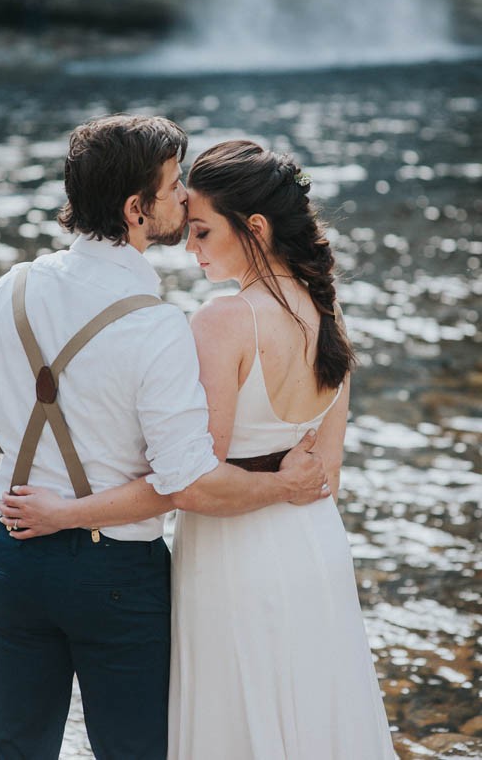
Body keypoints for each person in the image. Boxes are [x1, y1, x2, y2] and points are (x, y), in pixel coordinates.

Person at [0, 116, 331, 760]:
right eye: (174, 184)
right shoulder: (158, 328)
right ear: (135, 209)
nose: (185, 197)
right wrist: (281, 484)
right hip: (120, 576)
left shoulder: (7, 291)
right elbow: (184, 482)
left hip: (19, 559)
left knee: (15, 749)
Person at [166, 140, 396, 759]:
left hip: (234, 557)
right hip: (313, 547)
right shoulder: (326, 311)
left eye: (202, 231)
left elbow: (197, 479)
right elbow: (329, 473)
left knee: (238, 721)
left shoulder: (224, 320)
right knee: (315, 721)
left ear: (256, 229)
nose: (191, 247)